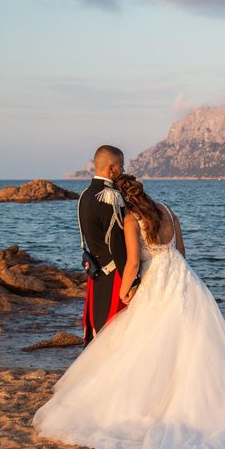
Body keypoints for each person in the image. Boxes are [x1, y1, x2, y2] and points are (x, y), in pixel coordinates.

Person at [33, 174, 225, 449]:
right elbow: (181, 251)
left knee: (147, 340)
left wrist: (127, 289)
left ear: (123, 197)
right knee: (193, 342)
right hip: (185, 279)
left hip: (157, 280)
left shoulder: (131, 219)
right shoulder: (167, 210)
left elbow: (131, 263)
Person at [77, 145, 137, 343]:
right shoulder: (111, 198)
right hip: (114, 276)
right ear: (111, 169)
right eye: (121, 166)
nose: (123, 170)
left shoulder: (84, 195)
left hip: (96, 273)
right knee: (115, 333)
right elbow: (117, 247)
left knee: (98, 326)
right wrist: (132, 283)